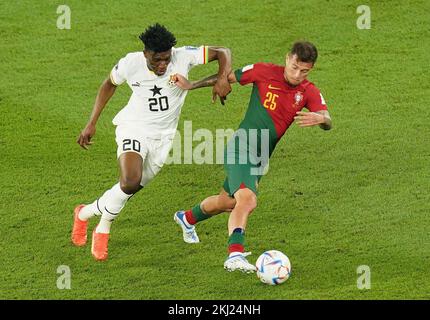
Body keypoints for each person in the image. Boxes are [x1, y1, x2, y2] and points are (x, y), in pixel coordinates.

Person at [72, 23, 232, 261]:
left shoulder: (183, 56)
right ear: (145, 53)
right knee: (129, 181)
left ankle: (84, 213)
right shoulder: (130, 63)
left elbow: (223, 52)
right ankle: (103, 228)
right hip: (134, 128)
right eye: (156, 60)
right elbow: (109, 84)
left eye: (166, 59)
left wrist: (221, 78)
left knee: (129, 189)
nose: (162, 65)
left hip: (163, 138)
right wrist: (92, 122)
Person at [173, 41, 332, 273]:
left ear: (311, 69)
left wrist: (322, 120)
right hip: (241, 146)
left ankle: (187, 218)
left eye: (304, 71)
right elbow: (225, 78)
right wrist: (191, 85)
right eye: (294, 67)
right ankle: (234, 255)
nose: (297, 74)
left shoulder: (308, 91)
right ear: (288, 58)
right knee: (248, 200)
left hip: (259, 158)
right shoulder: (263, 71)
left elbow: (328, 118)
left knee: (228, 202)